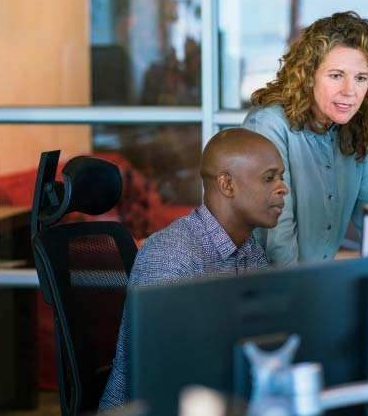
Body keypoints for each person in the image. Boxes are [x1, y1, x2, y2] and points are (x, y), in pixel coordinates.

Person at [99, 128, 289, 410]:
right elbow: (158, 378)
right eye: (269, 178)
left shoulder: (249, 250)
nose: (282, 187)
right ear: (227, 185)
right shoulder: (171, 257)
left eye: (281, 177)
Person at [242, 10, 368, 266]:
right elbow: (278, 242)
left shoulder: (354, 128)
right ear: (308, 75)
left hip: (317, 283)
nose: (350, 91)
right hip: (268, 290)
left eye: (361, 78)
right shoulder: (269, 125)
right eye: (336, 75)